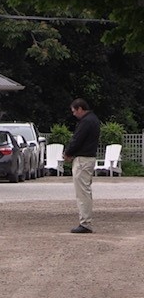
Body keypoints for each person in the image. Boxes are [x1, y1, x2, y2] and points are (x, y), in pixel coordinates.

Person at [63, 98, 101, 234]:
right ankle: (85, 221)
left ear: (80, 108)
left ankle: (85, 223)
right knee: (85, 191)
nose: (74, 114)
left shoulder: (85, 122)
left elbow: (77, 139)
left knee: (82, 192)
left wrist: (68, 153)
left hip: (83, 160)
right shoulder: (94, 120)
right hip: (89, 159)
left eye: (74, 111)